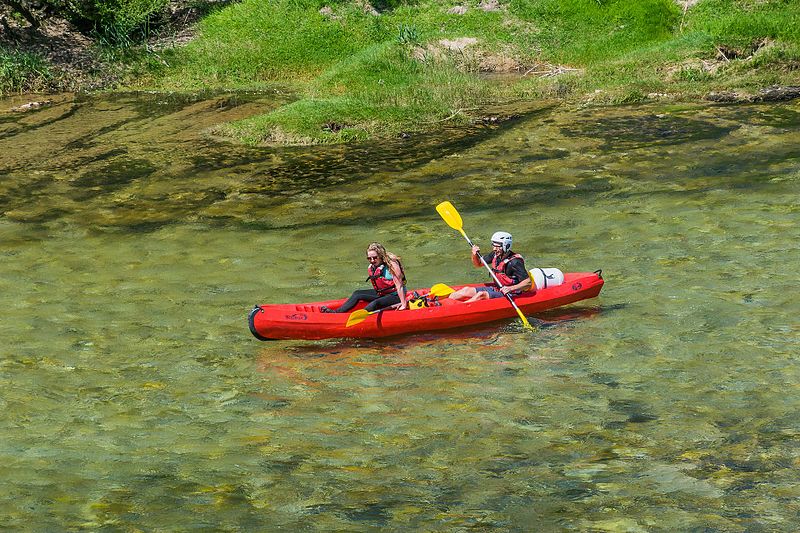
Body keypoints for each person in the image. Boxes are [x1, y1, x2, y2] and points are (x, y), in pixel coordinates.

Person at [321, 242, 408, 313]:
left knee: (375, 303)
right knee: (357, 294)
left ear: (381, 256)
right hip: (382, 294)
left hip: (396, 296)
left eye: (374, 258)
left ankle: (361, 317)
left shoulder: (392, 264)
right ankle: (336, 313)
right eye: (369, 258)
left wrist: (403, 305)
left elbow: (399, 286)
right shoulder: (373, 266)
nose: (372, 261)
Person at [449, 231, 532, 303]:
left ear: (506, 246)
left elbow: (528, 283)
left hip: (512, 292)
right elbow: (478, 264)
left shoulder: (515, 262)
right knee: (466, 290)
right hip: (498, 288)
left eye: (498, 246)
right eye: (493, 245)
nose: (494, 249)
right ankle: (443, 303)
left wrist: (510, 288)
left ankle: (457, 309)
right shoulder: (495, 255)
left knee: (481, 295)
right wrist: (474, 255)